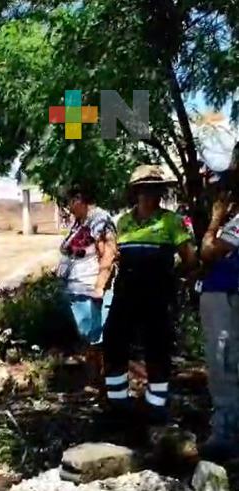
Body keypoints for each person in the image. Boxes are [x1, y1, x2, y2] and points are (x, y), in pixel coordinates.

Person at [102, 165, 197, 426]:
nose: (149, 194)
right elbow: (114, 257)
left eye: (154, 189)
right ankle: (118, 403)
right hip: (125, 294)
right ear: (135, 192)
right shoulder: (123, 222)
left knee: (157, 348)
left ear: (160, 191)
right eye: (144, 189)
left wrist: (185, 284)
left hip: (158, 295)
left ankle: (156, 407)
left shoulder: (171, 221)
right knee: (113, 342)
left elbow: (189, 258)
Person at [198, 148, 239, 461]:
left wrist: (215, 219)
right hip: (222, 294)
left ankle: (226, 434)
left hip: (227, 296)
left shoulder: (232, 221)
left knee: (224, 364)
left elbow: (209, 251)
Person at [56, 185, 117, 392]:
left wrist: (100, 286)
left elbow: (108, 253)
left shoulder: (99, 219)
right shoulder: (81, 222)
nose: (69, 208)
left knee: (96, 338)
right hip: (78, 289)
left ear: (79, 200)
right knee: (88, 336)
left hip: (90, 288)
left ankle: (99, 384)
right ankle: (96, 382)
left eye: (70, 203)